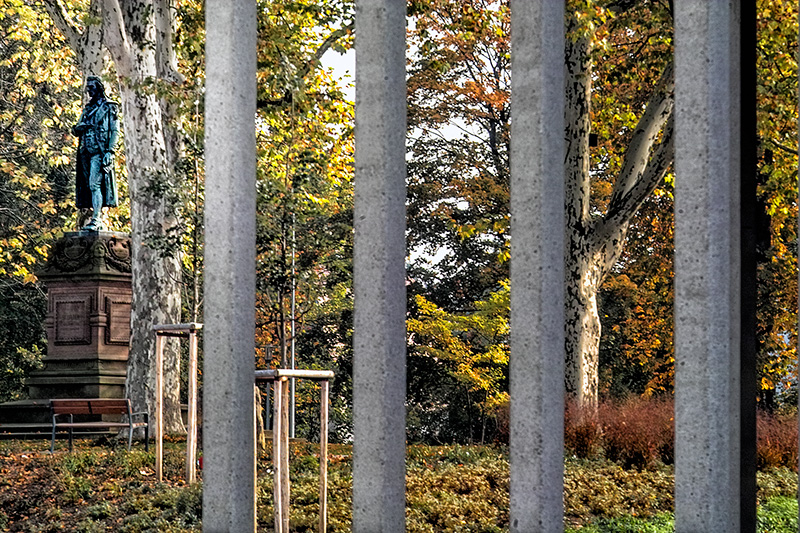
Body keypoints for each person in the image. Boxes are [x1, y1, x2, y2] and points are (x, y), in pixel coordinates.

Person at [72, 76, 119, 231]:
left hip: (99, 151)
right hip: (85, 150)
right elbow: (77, 129)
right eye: (88, 88)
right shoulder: (88, 108)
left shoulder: (109, 107)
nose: (89, 90)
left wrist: (110, 151)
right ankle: (94, 218)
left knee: (94, 183)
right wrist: (80, 127)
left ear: (99, 88)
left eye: (91, 87)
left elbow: (115, 131)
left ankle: (97, 219)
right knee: (88, 186)